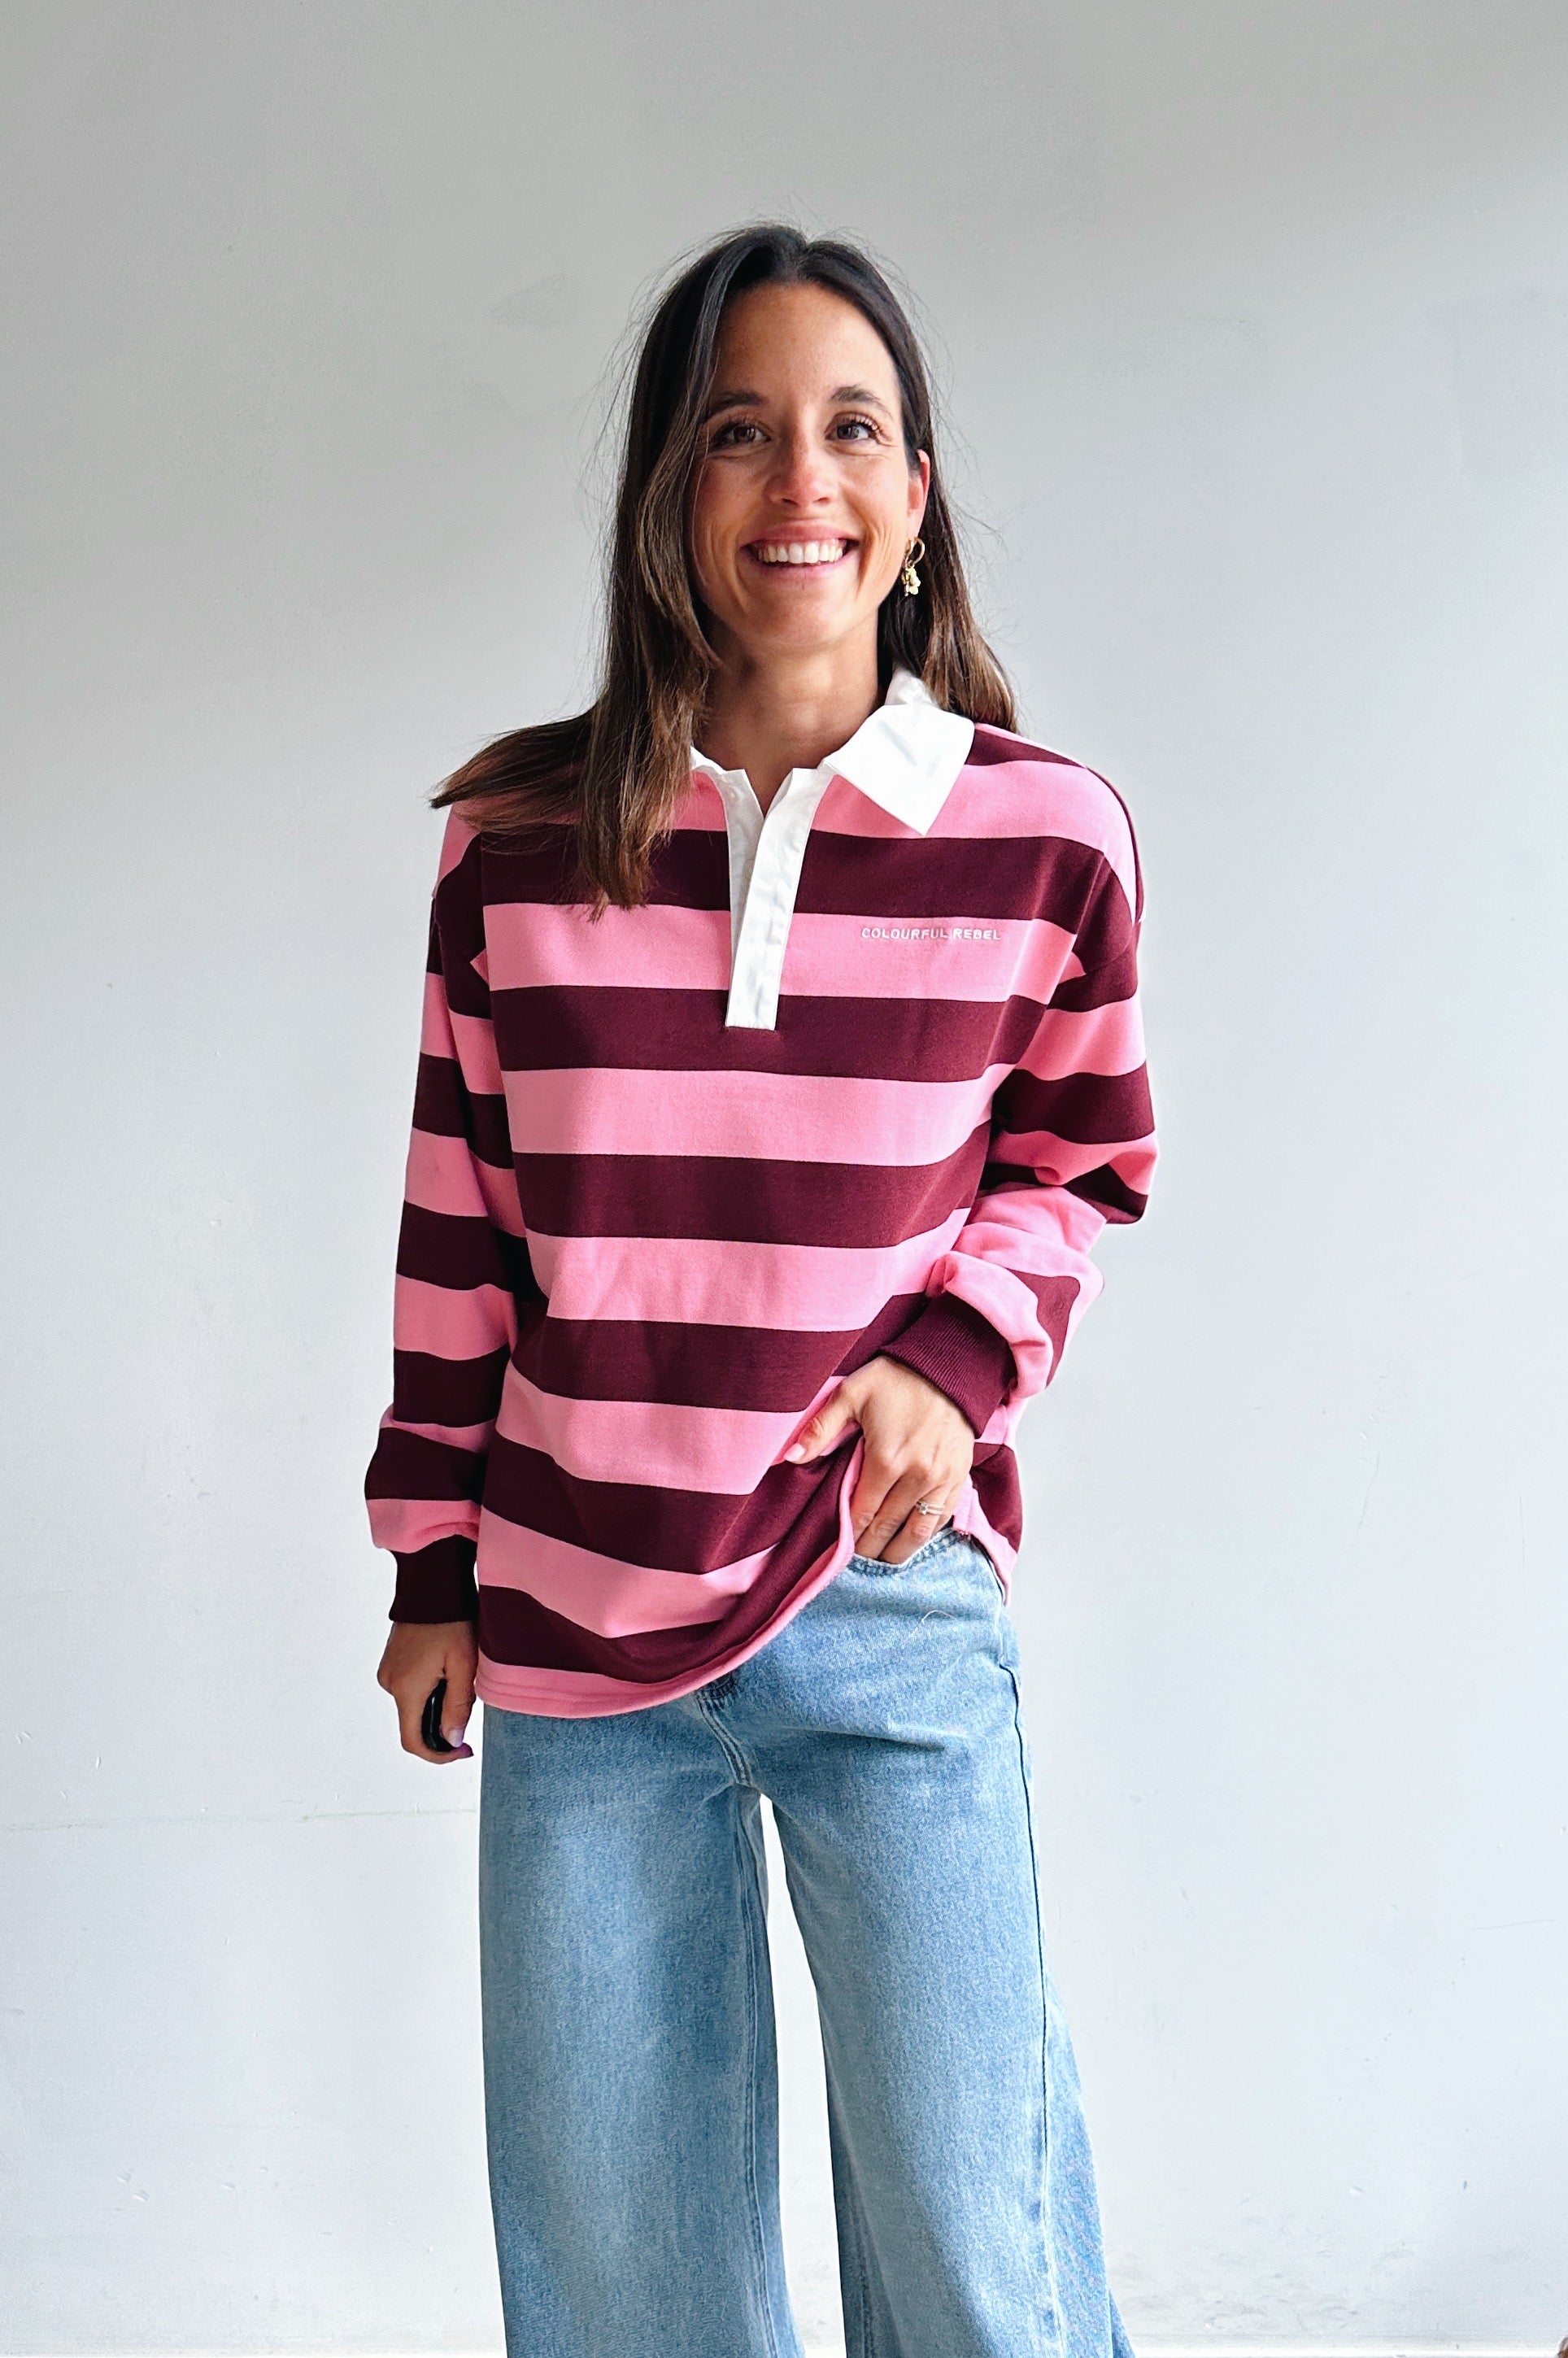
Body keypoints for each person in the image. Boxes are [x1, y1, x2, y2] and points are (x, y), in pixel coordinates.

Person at [366, 222, 1156, 2358]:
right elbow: (460, 1224)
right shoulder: (515, 848)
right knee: (620, 2262)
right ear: (669, 497)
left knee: (973, 2233)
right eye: (739, 432)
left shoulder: (1048, 838)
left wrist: (949, 1364)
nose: (801, 476)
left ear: (915, 499)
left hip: (882, 1589)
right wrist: (434, 1564)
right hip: (575, 1618)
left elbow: (1076, 1166)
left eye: (852, 429)